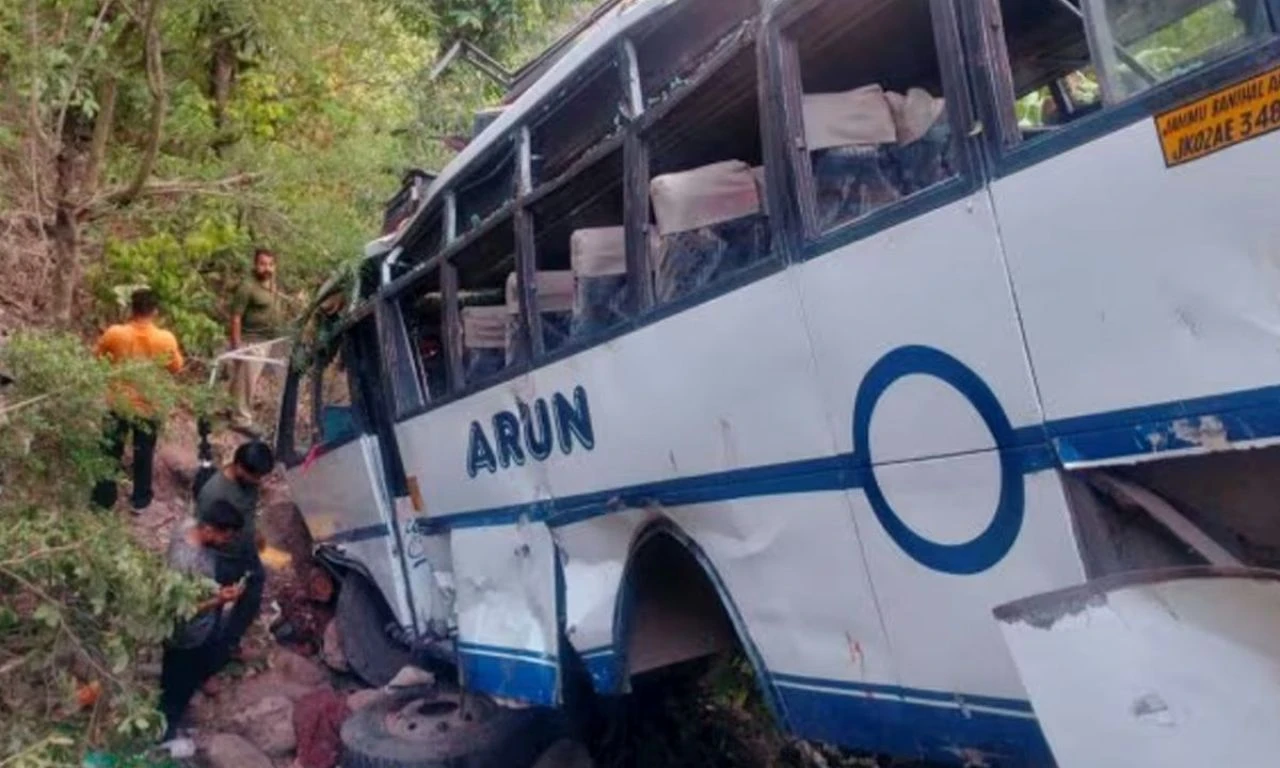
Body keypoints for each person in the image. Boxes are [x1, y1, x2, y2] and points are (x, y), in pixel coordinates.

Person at [160, 499, 246, 741]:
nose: (227, 542)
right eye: (225, 536)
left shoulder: (189, 526)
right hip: (185, 637)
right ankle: (165, 734)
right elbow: (179, 609)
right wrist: (218, 601)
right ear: (208, 529)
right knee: (175, 688)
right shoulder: (184, 561)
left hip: (202, 627)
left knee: (181, 680)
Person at [92, 289, 184, 513]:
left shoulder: (115, 333)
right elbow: (176, 366)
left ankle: (104, 500)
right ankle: (140, 501)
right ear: (154, 311)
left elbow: (97, 359)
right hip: (149, 405)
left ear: (131, 308)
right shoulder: (166, 338)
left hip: (118, 403)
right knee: (144, 453)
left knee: (110, 451)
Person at [195, 440, 274, 657]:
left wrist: (254, 534)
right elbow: (205, 534)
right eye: (255, 476)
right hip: (221, 558)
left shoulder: (249, 483)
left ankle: (230, 642)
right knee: (214, 610)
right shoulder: (214, 493)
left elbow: (248, 511)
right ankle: (207, 658)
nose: (259, 482)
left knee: (253, 592)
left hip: (245, 552)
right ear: (239, 467)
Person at [228, 247, 285, 435]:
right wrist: (237, 346)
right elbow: (236, 317)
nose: (266, 268)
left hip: (266, 340)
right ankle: (241, 420)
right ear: (255, 264)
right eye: (262, 264)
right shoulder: (247, 287)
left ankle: (233, 410)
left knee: (245, 380)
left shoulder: (271, 283)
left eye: (270, 264)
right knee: (246, 381)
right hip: (250, 340)